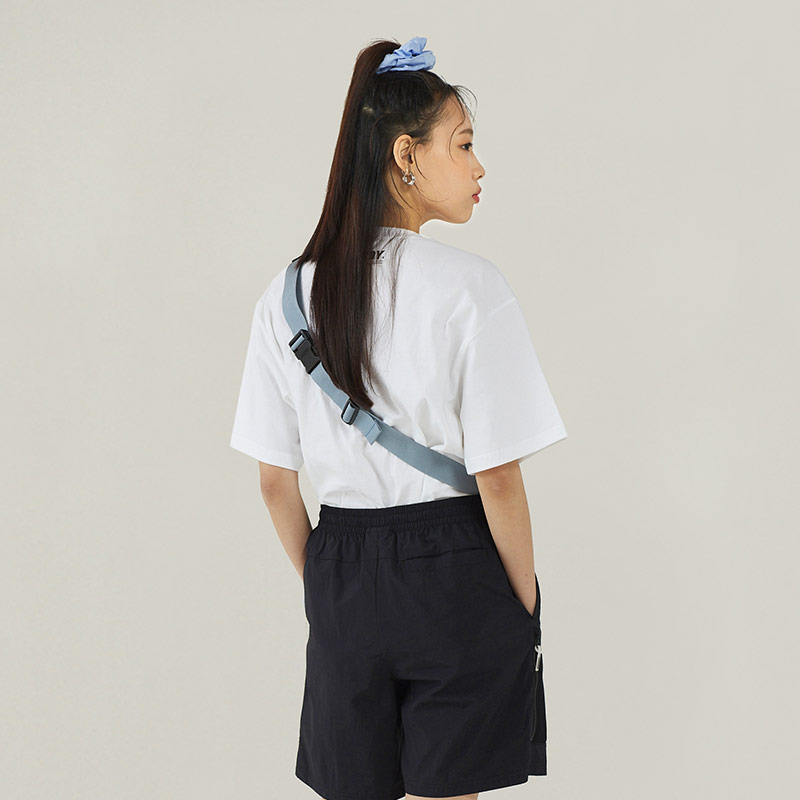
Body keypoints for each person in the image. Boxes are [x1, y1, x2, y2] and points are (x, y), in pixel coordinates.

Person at [229, 36, 568, 800]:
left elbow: (275, 484)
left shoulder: (286, 297)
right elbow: (498, 477)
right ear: (406, 156)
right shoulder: (472, 288)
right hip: (457, 570)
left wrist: (331, 587)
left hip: (342, 568)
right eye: (465, 144)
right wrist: (522, 605)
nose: (480, 167)